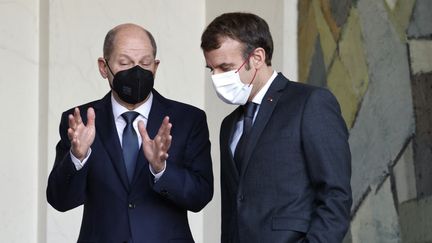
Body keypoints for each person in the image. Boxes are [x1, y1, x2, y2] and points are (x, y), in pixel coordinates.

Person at [47, 23, 213, 243]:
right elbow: (60, 200)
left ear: (155, 66)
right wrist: (77, 158)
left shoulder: (188, 120)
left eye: (145, 63)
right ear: (103, 67)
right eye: (124, 63)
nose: (136, 71)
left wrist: (161, 169)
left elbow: (200, 197)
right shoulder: (80, 121)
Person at [201, 12, 352, 243]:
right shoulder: (228, 125)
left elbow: (335, 195)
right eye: (211, 69)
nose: (216, 77)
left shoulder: (310, 103)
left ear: (257, 57)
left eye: (225, 67)